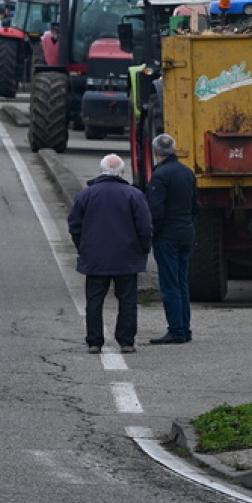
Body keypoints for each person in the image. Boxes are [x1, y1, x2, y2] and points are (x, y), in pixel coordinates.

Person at [68, 153, 153, 354]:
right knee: (127, 300)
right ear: (121, 172)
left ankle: (95, 341)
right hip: (127, 256)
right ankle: (126, 341)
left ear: (101, 170)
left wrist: (82, 247)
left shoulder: (86, 195)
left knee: (95, 300)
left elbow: (74, 225)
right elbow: (145, 227)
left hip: (95, 258)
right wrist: (143, 249)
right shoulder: (134, 195)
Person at [147, 133, 198, 344]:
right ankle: (185, 328)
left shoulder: (160, 176)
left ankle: (176, 330)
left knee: (169, 284)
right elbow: (195, 205)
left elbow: (155, 211)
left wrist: (151, 232)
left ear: (156, 151)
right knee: (182, 282)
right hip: (186, 232)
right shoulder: (187, 172)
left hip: (167, 235)